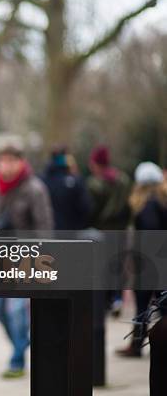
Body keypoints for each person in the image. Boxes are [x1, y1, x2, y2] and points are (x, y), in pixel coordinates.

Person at [0, 144, 54, 378]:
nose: (5, 166)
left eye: (10, 161)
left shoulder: (35, 189)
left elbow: (45, 228)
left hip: (25, 260)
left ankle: (17, 359)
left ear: (20, 162)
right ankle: (23, 343)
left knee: (17, 310)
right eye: (2, 161)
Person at [117, 162, 167, 358]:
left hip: (149, 262)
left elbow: (150, 234)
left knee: (143, 305)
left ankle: (137, 345)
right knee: (162, 304)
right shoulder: (161, 201)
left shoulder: (147, 206)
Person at [87, 145, 131, 317]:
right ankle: (117, 298)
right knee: (118, 265)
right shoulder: (123, 180)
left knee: (104, 265)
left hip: (102, 230)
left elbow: (92, 209)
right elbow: (129, 205)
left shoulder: (95, 183)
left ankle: (105, 301)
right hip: (120, 230)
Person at [41, 145, 91, 230]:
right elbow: (86, 208)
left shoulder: (41, 180)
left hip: (48, 234)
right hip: (72, 233)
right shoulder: (76, 181)